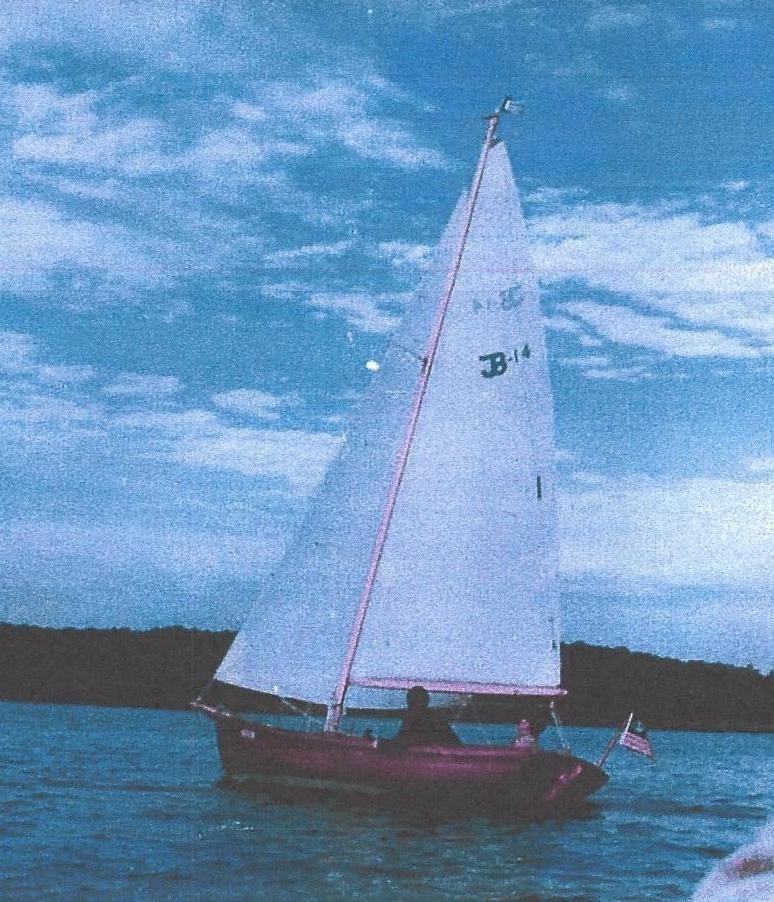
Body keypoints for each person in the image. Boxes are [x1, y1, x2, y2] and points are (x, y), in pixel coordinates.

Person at [391, 685, 461, 747]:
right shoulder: (411, 719)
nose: (415, 704)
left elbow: (401, 741)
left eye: (416, 700)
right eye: (413, 700)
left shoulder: (435, 721)